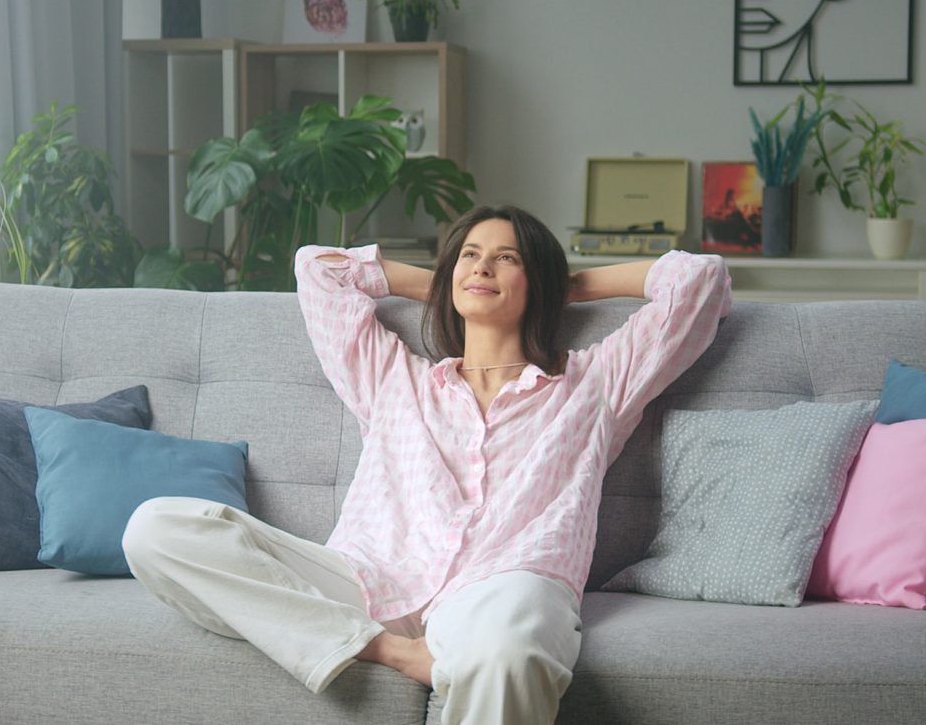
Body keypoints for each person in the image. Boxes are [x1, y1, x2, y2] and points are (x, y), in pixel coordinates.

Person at [121, 204, 732, 724]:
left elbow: (700, 281)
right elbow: (321, 268)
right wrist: (443, 283)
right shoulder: (393, 378)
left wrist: (564, 284)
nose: (483, 267)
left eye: (508, 258)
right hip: (367, 579)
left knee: (510, 653)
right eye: (468, 254)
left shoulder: (594, 384)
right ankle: (384, 651)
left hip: (506, 583)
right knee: (158, 527)